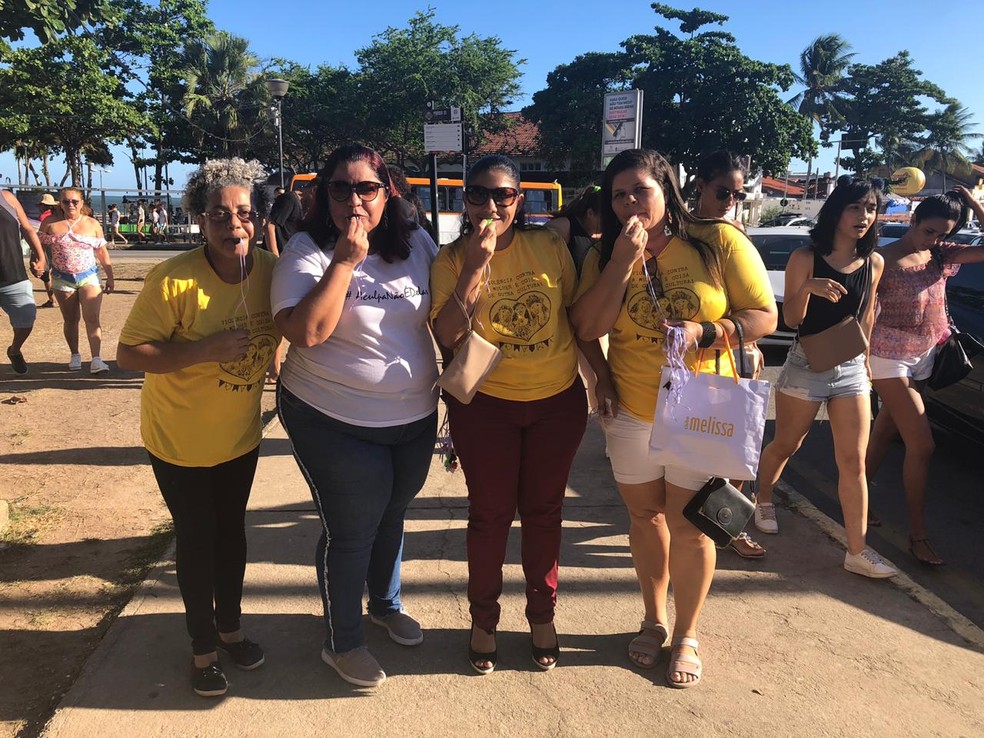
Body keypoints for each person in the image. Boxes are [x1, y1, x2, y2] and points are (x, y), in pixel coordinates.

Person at [570, 148, 776, 687]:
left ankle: (687, 632)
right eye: (618, 194)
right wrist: (620, 264)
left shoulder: (717, 242)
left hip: (700, 407)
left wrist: (704, 332)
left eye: (641, 189)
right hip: (632, 410)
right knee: (645, 519)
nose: (630, 202)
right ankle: (653, 619)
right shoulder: (604, 253)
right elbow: (587, 326)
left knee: (691, 528)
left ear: (667, 187)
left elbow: (764, 315)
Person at [272, 144, 439, 689]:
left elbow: (442, 312)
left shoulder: (415, 242)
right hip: (330, 414)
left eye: (366, 188)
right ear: (324, 196)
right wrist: (345, 260)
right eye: (339, 188)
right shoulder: (306, 250)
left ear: (388, 192)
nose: (353, 199)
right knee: (351, 528)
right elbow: (307, 332)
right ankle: (342, 640)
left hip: (412, 415)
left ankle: (385, 605)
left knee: (393, 510)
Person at [116, 158, 278, 698]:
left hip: (239, 438)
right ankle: (203, 648)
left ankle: (230, 630)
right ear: (200, 220)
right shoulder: (174, 277)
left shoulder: (271, 272)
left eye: (245, 213)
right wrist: (205, 350)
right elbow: (128, 354)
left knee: (232, 536)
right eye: (219, 214)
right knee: (198, 539)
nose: (234, 224)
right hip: (179, 441)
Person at [431, 154, 588, 675]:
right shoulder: (450, 258)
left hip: (556, 403)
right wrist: (477, 265)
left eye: (503, 195)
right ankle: (484, 620)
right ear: (464, 200)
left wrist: (603, 379)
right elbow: (446, 335)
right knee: (490, 517)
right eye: (478, 194)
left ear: (520, 201)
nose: (491, 205)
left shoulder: (549, 246)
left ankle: (542, 616)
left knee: (544, 514)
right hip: (486, 409)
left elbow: (575, 319)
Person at [755, 179, 895, 579]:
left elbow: (866, 316)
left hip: (850, 368)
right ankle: (763, 498)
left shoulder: (875, 263)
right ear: (836, 211)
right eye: (856, 208)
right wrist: (808, 288)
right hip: (805, 363)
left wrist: (866, 361)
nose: (864, 217)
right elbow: (792, 319)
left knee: (853, 462)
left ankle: (857, 550)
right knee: (787, 443)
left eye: (870, 209)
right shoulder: (806, 256)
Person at [865, 187, 984, 566]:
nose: (935, 239)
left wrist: (975, 203)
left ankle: (856, 498)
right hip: (886, 358)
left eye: (943, 234)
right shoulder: (881, 259)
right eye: (929, 230)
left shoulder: (942, 256)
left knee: (884, 431)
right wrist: (859, 356)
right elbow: (864, 311)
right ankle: (918, 536)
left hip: (924, 355)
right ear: (913, 220)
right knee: (923, 445)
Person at [693, 149, 766, 560]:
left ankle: (729, 527)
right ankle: (704, 527)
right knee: (695, 455)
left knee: (738, 454)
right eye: (723, 192)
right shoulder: (681, 232)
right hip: (691, 362)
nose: (729, 203)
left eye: (737, 194)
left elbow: (754, 308)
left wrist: (749, 349)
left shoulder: (734, 234)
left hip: (735, 357)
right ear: (700, 186)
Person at [38, 188, 115, 373]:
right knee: (71, 320)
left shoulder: (92, 224)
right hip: (62, 278)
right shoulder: (50, 223)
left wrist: (110, 276)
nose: (71, 205)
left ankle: (96, 359)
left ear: (82, 203)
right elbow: (39, 246)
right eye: (66, 202)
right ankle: (75, 355)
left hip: (88, 276)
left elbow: (102, 252)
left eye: (75, 201)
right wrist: (40, 262)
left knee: (92, 318)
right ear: (60, 203)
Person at [2, 190, 47, 374]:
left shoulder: (7, 198)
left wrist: (41, 258)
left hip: (12, 274)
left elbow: (28, 228)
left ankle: (14, 350)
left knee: (26, 319)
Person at [545, 184, 601, 275]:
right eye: (606, 217)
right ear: (590, 213)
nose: (609, 222)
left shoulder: (608, 234)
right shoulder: (564, 226)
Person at [265, 187, 303, 257]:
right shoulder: (289, 199)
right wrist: (275, 257)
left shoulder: (299, 203)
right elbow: (269, 226)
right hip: (281, 255)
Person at [36, 194, 58, 307]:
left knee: (45, 273)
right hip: (56, 245)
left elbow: (41, 235)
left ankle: (52, 299)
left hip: (46, 244)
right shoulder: (57, 216)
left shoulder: (44, 217)